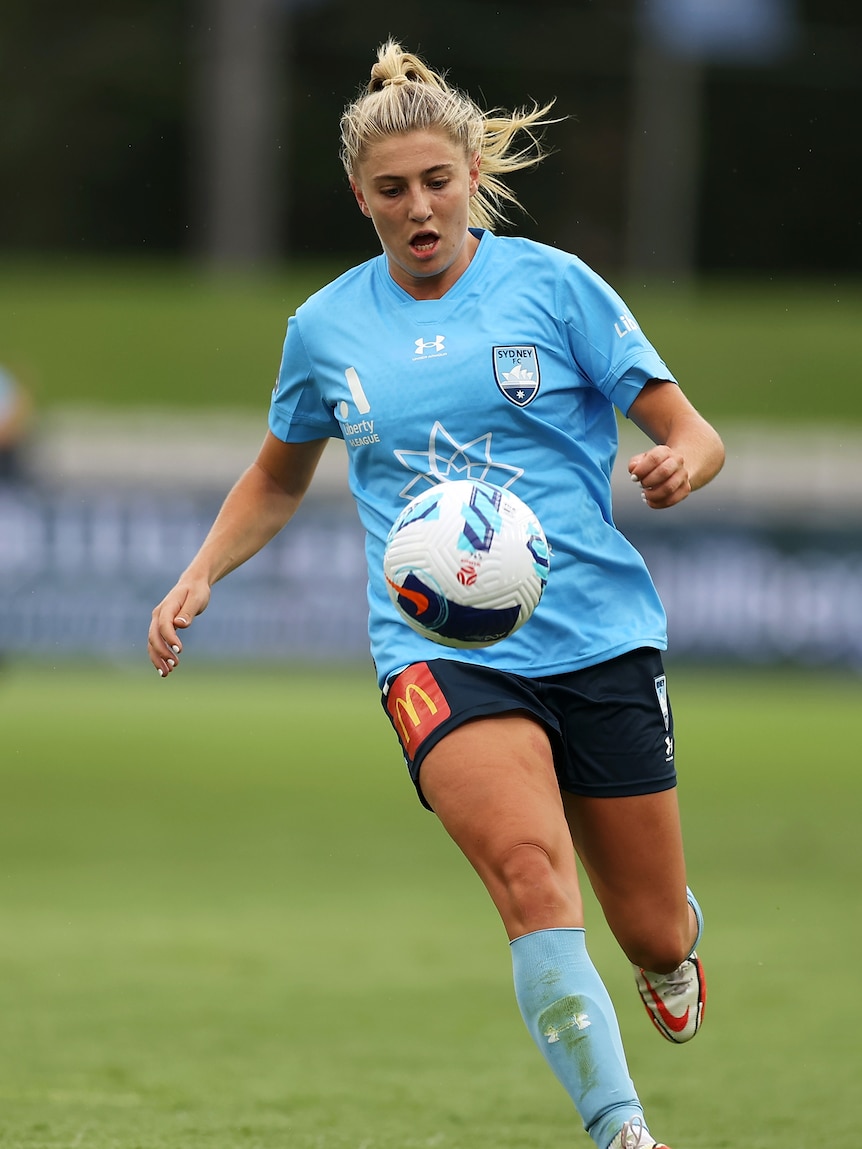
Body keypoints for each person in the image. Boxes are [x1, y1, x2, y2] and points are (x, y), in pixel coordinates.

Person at [148, 40, 724, 1149]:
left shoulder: (555, 287)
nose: (418, 208)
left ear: (472, 172)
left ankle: (673, 945)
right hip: (436, 653)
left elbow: (688, 429)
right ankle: (622, 1133)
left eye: (436, 181)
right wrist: (199, 570)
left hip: (598, 637)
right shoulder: (326, 329)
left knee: (645, 929)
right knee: (524, 872)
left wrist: (677, 465)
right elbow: (278, 473)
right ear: (359, 197)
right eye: (391, 190)